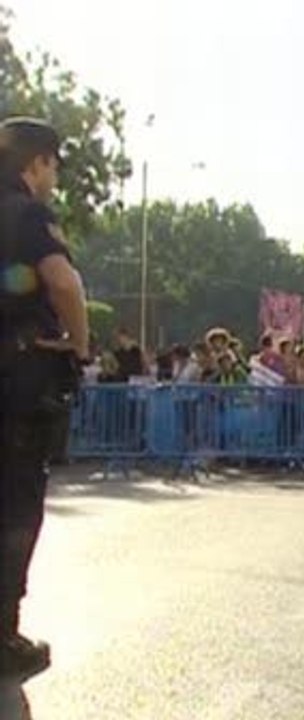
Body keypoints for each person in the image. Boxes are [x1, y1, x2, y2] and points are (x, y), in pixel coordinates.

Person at [0, 118, 89, 682]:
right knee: (14, 508)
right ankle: (2, 635)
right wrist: (78, 347)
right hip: (14, 380)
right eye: (53, 164)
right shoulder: (26, 214)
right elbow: (64, 284)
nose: (54, 176)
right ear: (36, 164)